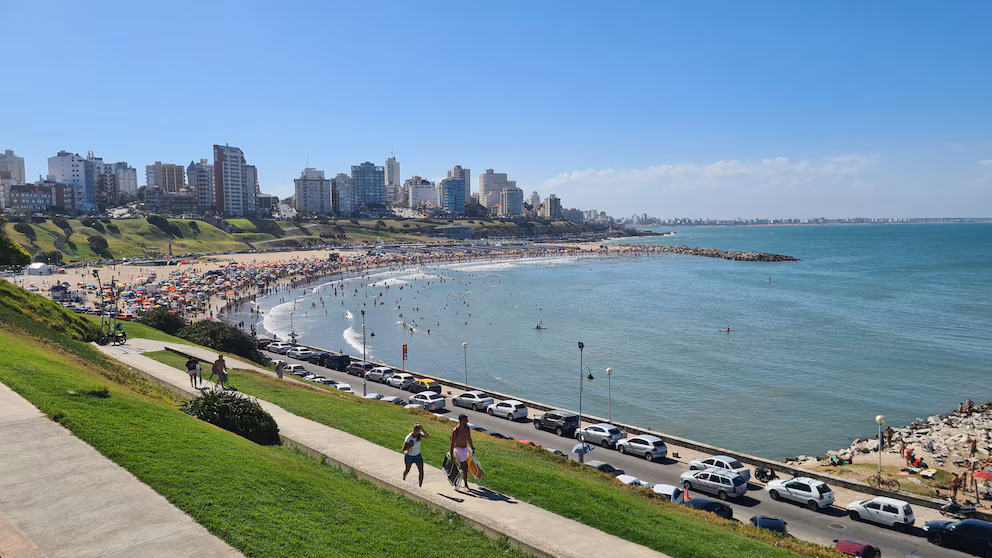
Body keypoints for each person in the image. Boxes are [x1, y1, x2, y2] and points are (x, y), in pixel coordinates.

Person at [449, 413, 476, 491]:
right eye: (465, 420)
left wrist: (472, 447)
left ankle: (453, 476)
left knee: (462, 467)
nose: (467, 421)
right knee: (465, 467)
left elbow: (469, 438)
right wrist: (451, 455)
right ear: (461, 421)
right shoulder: (455, 430)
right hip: (458, 450)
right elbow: (452, 443)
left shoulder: (467, 428)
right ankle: (466, 485)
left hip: (465, 449)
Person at [402, 423, 430, 487]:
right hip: (409, 456)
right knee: (407, 470)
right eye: (415, 430)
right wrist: (410, 446)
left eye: (418, 430)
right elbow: (403, 449)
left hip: (417, 456)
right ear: (413, 429)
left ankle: (420, 486)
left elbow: (427, 436)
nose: (416, 431)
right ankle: (403, 479)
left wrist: (422, 429)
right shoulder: (409, 437)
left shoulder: (419, 435)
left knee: (421, 471)